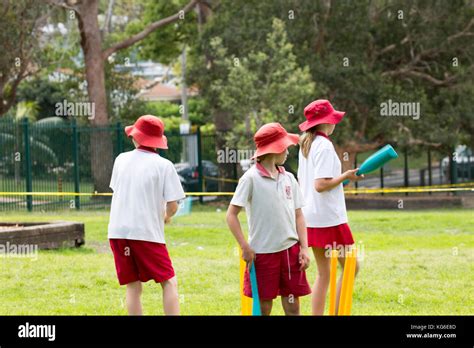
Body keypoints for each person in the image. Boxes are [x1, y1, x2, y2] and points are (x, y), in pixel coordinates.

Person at [227, 122, 311, 316]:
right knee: (264, 306)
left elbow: (299, 215)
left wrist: (304, 248)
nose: (288, 152)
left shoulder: (289, 178)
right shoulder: (250, 179)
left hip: (291, 251)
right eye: (285, 147)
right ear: (275, 149)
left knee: (293, 304)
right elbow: (231, 216)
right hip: (263, 254)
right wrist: (244, 247)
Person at [108, 115, 185, 315]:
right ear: (158, 142)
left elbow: (118, 191)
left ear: (136, 137)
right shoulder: (164, 165)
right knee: (169, 281)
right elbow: (173, 206)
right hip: (146, 233)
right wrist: (166, 216)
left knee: (133, 286)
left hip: (117, 233)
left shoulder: (120, 159)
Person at [297, 99, 362, 315]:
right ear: (327, 122)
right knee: (352, 266)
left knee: (324, 274)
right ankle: (337, 313)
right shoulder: (323, 145)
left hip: (312, 217)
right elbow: (320, 184)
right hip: (328, 219)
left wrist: (341, 178)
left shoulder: (307, 145)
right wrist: (345, 175)